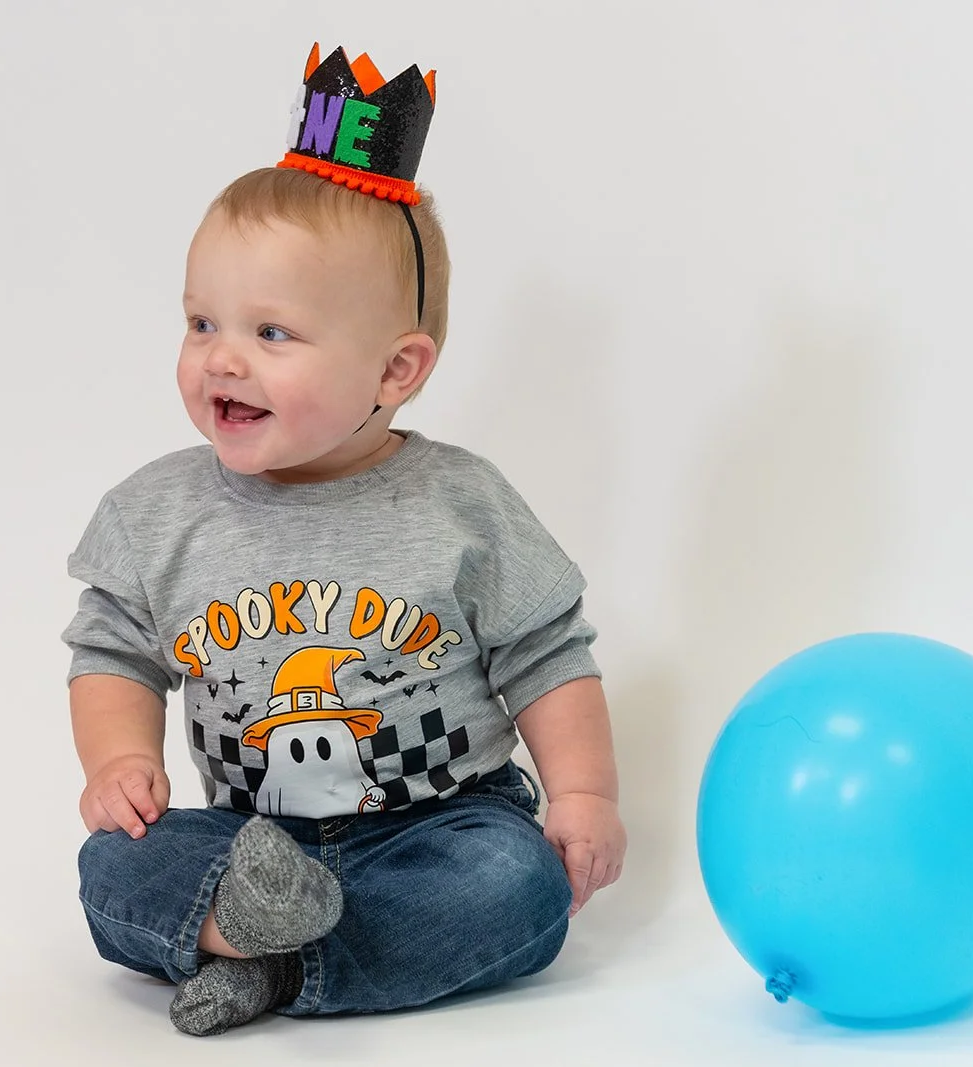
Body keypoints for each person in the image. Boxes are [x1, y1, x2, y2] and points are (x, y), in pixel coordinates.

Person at [62, 43, 626, 1036]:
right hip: (247, 835)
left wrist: (581, 793)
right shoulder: (155, 514)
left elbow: (547, 654)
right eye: (202, 322)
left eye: (271, 334)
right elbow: (111, 651)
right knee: (113, 864)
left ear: (397, 367)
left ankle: (264, 962)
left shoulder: (462, 502)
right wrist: (117, 762)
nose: (221, 357)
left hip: (439, 824)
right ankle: (261, 926)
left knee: (516, 882)